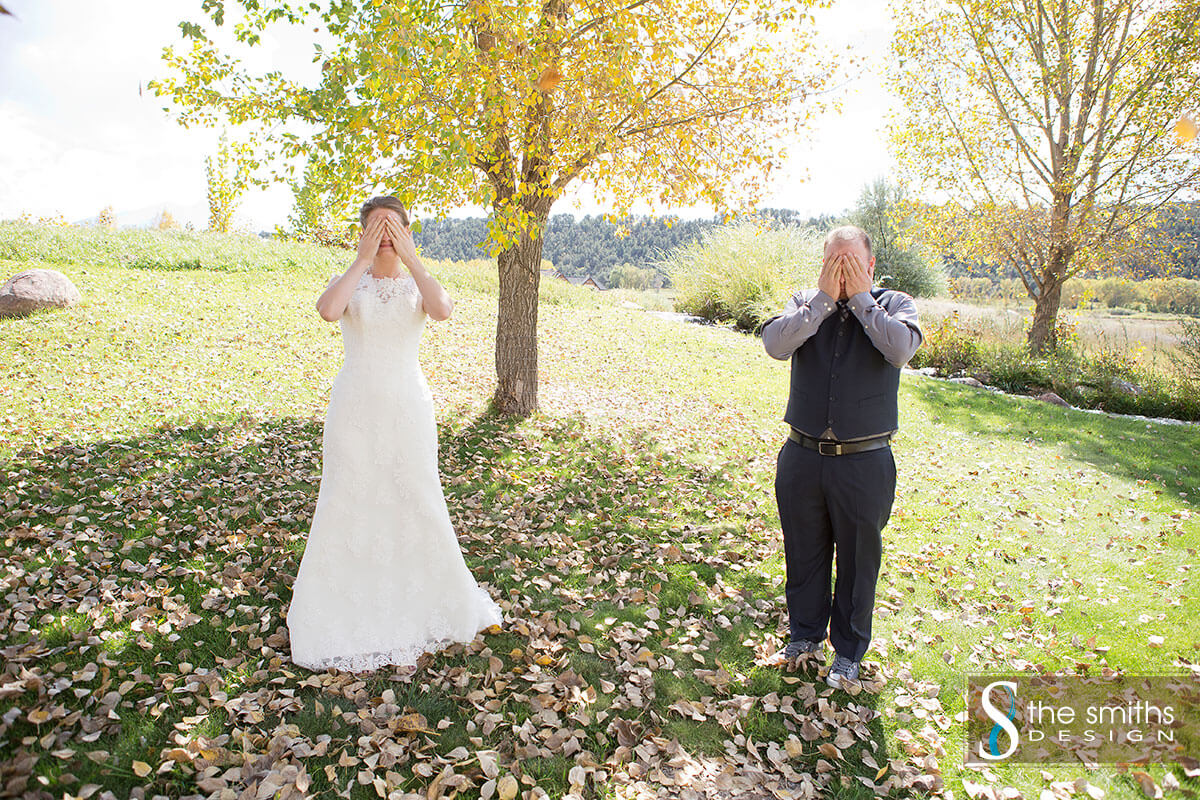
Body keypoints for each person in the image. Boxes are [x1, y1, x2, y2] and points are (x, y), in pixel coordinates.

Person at [287, 195, 501, 672]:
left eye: (394, 226)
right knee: (349, 494)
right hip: (355, 408)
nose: (384, 234)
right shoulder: (350, 281)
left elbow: (443, 310)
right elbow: (327, 311)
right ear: (362, 233)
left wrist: (413, 259)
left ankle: (423, 592)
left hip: (408, 407)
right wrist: (361, 259)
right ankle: (347, 591)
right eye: (375, 226)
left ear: (407, 230)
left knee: (417, 494)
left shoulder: (417, 283)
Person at [760, 225, 922, 689]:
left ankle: (848, 651)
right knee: (804, 551)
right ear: (822, 264)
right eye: (835, 261)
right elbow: (775, 344)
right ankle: (805, 635)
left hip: (864, 460)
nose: (843, 270)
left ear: (870, 266)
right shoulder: (805, 303)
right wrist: (825, 300)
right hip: (802, 454)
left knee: (858, 559)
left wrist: (863, 300)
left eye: (851, 262)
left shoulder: (895, 305)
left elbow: (900, 349)